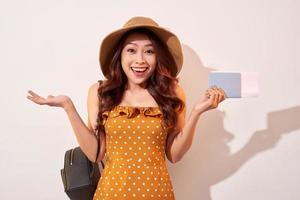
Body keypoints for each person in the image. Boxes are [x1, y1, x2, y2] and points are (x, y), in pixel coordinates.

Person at [27, 16, 226, 200]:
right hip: (112, 193)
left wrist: (197, 112)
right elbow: (95, 154)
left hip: (157, 194)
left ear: (158, 57)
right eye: (131, 50)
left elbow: (174, 155)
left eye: (149, 51)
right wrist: (68, 107)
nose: (140, 59)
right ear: (120, 55)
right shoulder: (100, 91)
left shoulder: (172, 92)